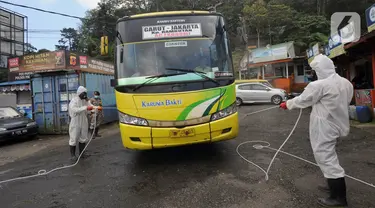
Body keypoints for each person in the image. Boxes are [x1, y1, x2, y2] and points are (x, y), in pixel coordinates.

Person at [279, 54, 353, 207]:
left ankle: (338, 197)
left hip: (324, 126)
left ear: (320, 70)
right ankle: (331, 184)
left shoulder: (319, 85)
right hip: (339, 124)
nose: (312, 74)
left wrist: (288, 104)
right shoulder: (346, 83)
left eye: (314, 70)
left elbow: (304, 100)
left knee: (326, 158)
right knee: (329, 156)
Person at [68, 86, 93, 162]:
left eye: (85, 94)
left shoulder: (85, 100)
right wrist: (85, 108)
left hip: (84, 119)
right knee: (74, 137)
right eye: (83, 94)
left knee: (83, 137)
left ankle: (82, 154)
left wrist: (92, 109)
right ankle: (73, 155)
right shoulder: (74, 100)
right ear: (79, 93)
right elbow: (74, 109)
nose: (85, 95)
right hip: (75, 120)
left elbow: (89, 108)